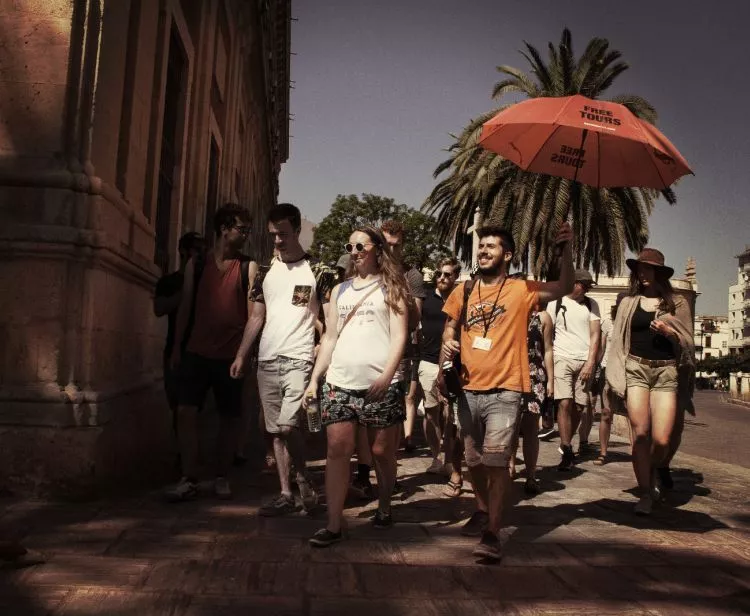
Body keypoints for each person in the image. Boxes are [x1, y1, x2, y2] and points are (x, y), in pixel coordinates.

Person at [441, 223, 574, 561]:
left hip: (507, 389)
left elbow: (564, 286)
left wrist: (567, 251)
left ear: (508, 254)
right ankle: (482, 508)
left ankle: (492, 533)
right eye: (481, 247)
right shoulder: (464, 290)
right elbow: (449, 326)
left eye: (491, 247)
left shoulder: (521, 289)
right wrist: (448, 342)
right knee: (472, 459)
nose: (483, 251)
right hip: (468, 388)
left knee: (497, 461)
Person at [305, 226, 411, 547]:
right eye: (350, 246)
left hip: (380, 383)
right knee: (337, 450)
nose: (355, 252)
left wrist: (387, 375)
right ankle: (334, 524)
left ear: (377, 249)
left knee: (381, 451)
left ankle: (384, 505)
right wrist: (314, 380)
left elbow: (399, 336)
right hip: (339, 382)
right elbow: (330, 338)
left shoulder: (393, 286)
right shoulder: (339, 291)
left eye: (361, 246)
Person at [230, 203, 335, 516]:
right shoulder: (265, 273)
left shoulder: (319, 271)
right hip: (267, 361)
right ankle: (287, 492)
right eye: (273, 234)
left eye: (284, 234)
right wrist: (241, 354)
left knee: (289, 427)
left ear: (297, 231)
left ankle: (303, 476)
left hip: (299, 359)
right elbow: (256, 317)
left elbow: (331, 323)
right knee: (275, 431)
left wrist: (325, 352)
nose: (277, 240)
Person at [166, 204, 256, 502]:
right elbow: (185, 307)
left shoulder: (247, 267)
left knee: (229, 418)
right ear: (223, 229)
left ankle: (221, 475)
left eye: (246, 230)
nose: (245, 235)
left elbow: (254, 314)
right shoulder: (198, 264)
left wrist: (244, 354)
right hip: (196, 352)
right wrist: (178, 347)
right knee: (185, 412)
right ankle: (189, 476)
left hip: (230, 356)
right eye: (241, 229)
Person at [606, 248, 694, 515]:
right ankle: (645, 492)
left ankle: (653, 469)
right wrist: (615, 375)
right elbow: (618, 341)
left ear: (659, 273)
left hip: (666, 372)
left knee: (663, 439)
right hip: (636, 369)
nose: (642, 274)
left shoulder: (677, 303)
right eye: (639, 269)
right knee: (640, 434)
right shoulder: (629, 302)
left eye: (647, 269)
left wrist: (670, 333)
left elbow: (688, 341)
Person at [548, 269, 601, 471]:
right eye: (584, 285)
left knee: (579, 407)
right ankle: (568, 448)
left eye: (589, 286)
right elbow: (548, 332)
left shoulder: (591, 304)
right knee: (564, 403)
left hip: (584, 361)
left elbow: (595, 335)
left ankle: (565, 444)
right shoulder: (556, 303)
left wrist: (590, 363)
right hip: (562, 358)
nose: (586, 289)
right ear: (573, 283)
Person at [381, 219, 426, 453]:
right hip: (370, 350)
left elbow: (416, 320)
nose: (391, 250)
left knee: (394, 408)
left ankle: (391, 458)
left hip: (401, 352)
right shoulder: (369, 270)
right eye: (386, 243)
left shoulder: (412, 275)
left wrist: (403, 295)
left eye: (396, 245)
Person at [153, 232, 205, 419]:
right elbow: (159, 308)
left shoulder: (205, 283)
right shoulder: (168, 282)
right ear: (183, 251)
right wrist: (186, 292)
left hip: (199, 352)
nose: (199, 255)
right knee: (175, 404)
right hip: (175, 349)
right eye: (195, 250)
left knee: (193, 408)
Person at [418, 258, 461, 479]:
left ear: (455, 277)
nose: (442, 278)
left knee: (451, 416)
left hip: (452, 364)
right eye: (439, 274)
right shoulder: (425, 297)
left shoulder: (460, 298)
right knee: (431, 412)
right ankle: (436, 457)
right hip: (427, 361)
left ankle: (449, 459)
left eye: (447, 275)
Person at [509, 301, 554, 494]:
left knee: (531, 427)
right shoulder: (508, 312)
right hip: (509, 375)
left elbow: (548, 349)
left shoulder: (542, 317)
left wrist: (551, 380)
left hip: (535, 377)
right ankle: (509, 465)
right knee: (509, 425)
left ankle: (531, 474)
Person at [594, 304, 617, 465]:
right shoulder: (608, 322)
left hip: (628, 370)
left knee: (632, 415)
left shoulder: (632, 322)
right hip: (607, 369)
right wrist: (595, 367)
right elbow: (601, 347)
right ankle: (603, 453)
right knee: (606, 412)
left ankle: (637, 453)